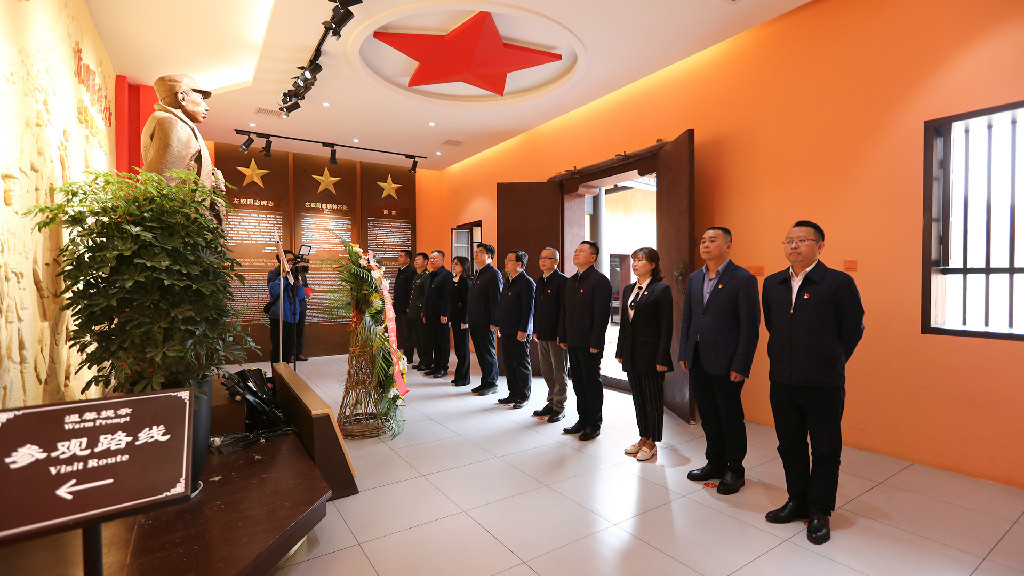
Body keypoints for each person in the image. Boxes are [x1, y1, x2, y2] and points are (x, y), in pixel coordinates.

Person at [762, 220, 864, 545]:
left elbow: (853, 329)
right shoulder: (773, 283)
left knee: (825, 449)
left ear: (820, 246)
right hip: (782, 380)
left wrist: (831, 359)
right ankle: (797, 499)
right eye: (789, 240)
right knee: (789, 444)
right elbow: (773, 324)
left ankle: (820, 509)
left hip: (823, 383)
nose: (794, 245)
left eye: (802, 240)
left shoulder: (838, 282)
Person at [678, 227, 761, 493]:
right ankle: (714, 463)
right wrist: (684, 352)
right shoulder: (694, 278)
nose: (705, 245)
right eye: (703, 241)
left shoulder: (743, 278)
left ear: (728, 246)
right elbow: (689, 318)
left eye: (712, 240)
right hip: (698, 357)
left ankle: (735, 469)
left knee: (730, 417)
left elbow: (750, 326)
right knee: (708, 415)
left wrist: (742, 364)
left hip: (727, 361)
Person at [140, 74, 226, 224]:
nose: (206, 106)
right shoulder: (174, 125)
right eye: (201, 98)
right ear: (182, 97)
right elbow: (164, 186)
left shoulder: (162, 119)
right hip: (181, 228)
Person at [615, 247, 674, 461]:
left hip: (651, 354)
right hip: (631, 353)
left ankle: (652, 442)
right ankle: (642, 437)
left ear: (653, 264)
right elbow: (624, 324)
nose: (635, 263)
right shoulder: (629, 289)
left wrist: (662, 357)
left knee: (652, 399)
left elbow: (666, 326)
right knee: (638, 398)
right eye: (634, 260)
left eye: (640, 260)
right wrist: (620, 350)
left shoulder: (661, 289)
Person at [559, 241, 612, 441]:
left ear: (593, 257)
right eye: (576, 250)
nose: (576, 253)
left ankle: (594, 423)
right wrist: (563, 335)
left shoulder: (600, 281)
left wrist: (596, 342)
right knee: (578, 383)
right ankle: (582, 419)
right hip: (573, 340)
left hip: (590, 343)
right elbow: (565, 311)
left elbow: (601, 316)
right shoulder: (571, 281)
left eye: (581, 251)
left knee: (591, 383)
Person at [532, 247, 570, 423]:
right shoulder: (540, 280)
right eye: (541, 257)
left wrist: (562, 334)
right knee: (547, 371)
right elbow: (537, 308)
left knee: (559, 372)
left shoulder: (563, 281)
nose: (543, 260)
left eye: (547, 258)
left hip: (556, 336)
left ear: (556, 261)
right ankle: (551, 402)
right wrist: (536, 329)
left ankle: (559, 407)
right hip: (543, 333)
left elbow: (565, 310)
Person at [498, 250, 536, 409]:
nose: (506, 263)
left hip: (519, 331)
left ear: (519, 264)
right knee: (509, 363)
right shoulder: (508, 281)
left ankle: (524, 395)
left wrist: (524, 330)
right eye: (506, 260)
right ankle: (513, 393)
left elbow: (529, 309)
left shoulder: (527, 282)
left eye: (509, 260)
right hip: (507, 329)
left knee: (521, 364)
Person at [468, 243, 503, 396]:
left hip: (486, 322)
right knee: (480, 353)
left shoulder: (494, 274)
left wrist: (494, 321)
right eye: (476, 251)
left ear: (489, 256)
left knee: (488, 352)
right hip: (475, 320)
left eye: (480, 252)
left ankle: (492, 383)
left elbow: (496, 299)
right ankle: (485, 381)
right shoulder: (479, 273)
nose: (476, 254)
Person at [267, 241, 305, 363]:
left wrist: (299, 285)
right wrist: (283, 276)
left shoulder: (295, 273)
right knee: (278, 349)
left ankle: (286, 372)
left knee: (288, 350)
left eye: (292, 260)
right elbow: (274, 291)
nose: (291, 263)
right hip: (279, 316)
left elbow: (300, 296)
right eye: (288, 260)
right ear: (281, 260)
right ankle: (276, 373)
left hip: (293, 316)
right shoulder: (274, 273)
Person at [423, 250, 453, 378]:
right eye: (430, 258)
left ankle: (443, 367)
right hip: (431, 314)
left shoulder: (446, 275)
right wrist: (424, 313)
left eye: (434, 258)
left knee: (443, 342)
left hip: (441, 315)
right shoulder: (432, 274)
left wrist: (445, 313)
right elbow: (427, 296)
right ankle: (436, 365)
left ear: (442, 260)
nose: (432, 260)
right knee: (434, 341)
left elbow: (447, 296)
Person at [449, 256, 472, 386]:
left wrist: (465, 320)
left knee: (463, 348)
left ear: (463, 266)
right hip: (455, 318)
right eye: (453, 263)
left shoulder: (465, 281)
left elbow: (467, 302)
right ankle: (459, 375)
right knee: (458, 348)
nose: (453, 266)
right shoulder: (454, 280)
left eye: (456, 264)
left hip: (462, 319)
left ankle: (464, 378)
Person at [392, 250, 417, 363]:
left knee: (407, 333)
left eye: (401, 256)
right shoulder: (400, 270)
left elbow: (411, 290)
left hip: (405, 309)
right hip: (398, 307)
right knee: (401, 333)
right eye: (398, 256)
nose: (398, 258)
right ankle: (404, 355)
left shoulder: (411, 271)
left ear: (407, 259)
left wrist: (408, 305)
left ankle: (408, 357)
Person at [408, 252, 431, 371]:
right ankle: (422, 360)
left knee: (424, 338)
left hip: (421, 311)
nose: (416, 261)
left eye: (419, 259)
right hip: (414, 311)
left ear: (426, 262)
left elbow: (427, 296)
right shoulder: (417, 276)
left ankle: (427, 362)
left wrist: (424, 311)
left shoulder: (427, 276)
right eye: (415, 259)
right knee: (418, 338)